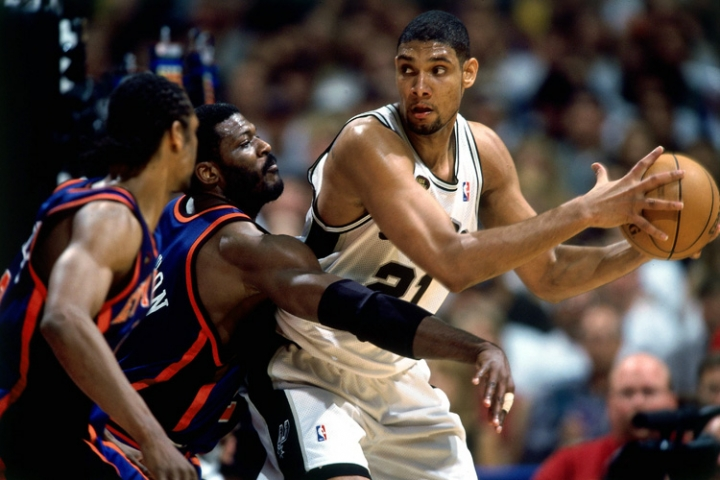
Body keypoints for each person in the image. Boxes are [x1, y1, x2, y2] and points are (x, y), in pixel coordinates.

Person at [250, 9, 699, 480]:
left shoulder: (485, 152)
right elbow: (452, 264)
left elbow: (549, 274)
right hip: (310, 365)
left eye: (437, 70)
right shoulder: (369, 142)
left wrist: (650, 247)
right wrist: (584, 211)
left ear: (469, 74)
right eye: (407, 70)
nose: (419, 86)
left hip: (395, 373)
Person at [100, 102, 513, 479]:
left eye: (257, 134)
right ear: (209, 173)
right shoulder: (246, 250)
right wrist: (475, 348)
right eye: (245, 143)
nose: (263, 145)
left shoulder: (174, 213)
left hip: (121, 424)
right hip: (135, 446)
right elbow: (360, 311)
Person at [0, 72, 199, 479]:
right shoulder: (112, 220)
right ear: (176, 135)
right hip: (22, 434)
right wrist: (152, 437)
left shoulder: (94, 200)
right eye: (195, 133)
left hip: (48, 426)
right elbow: (63, 319)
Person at [532, 352, 678, 480]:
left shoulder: (694, 458)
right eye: (627, 393)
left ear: (673, 400)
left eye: (648, 392)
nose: (638, 402)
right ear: (609, 403)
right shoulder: (571, 462)